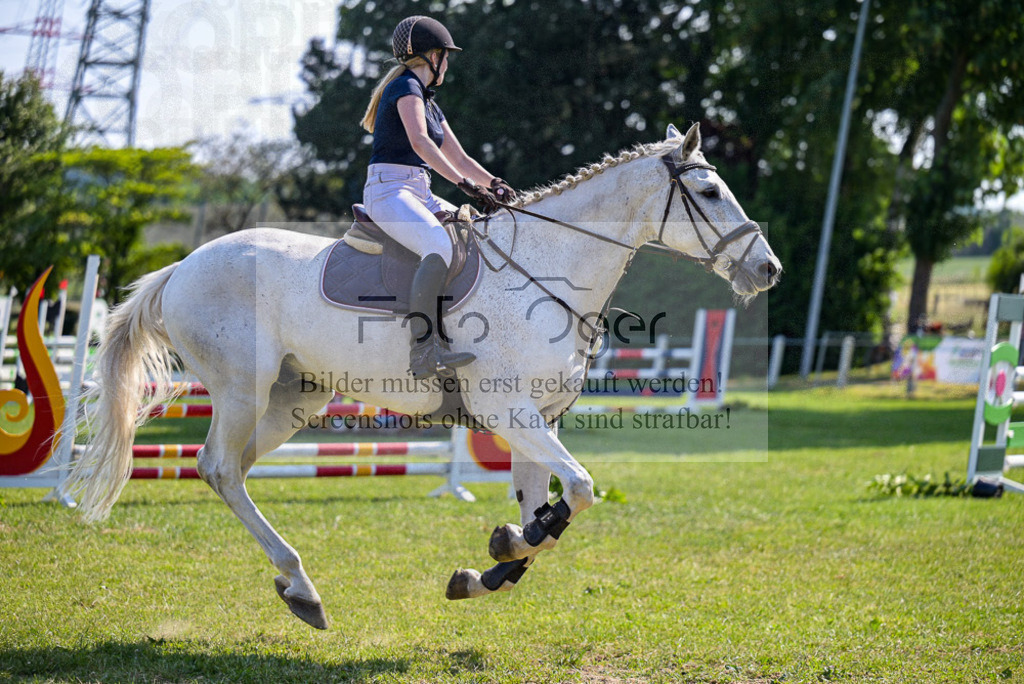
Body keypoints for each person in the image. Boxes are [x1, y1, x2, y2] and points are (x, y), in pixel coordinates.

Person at [360, 15, 518, 379]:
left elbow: (460, 156)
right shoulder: (405, 88)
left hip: (417, 190)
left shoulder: (429, 101)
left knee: (477, 234)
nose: (447, 64)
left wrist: (493, 182)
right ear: (434, 56)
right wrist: (465, 185)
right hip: (389, 190)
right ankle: (423, 350)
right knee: (438, 246)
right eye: (446, 56)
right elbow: (420, 142)